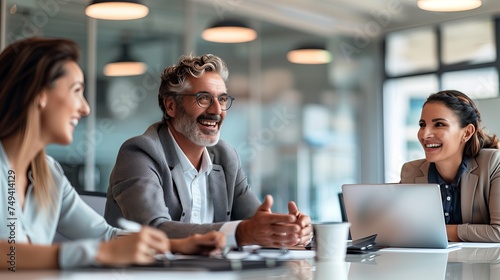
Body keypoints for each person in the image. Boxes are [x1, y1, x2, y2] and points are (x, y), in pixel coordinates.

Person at [0, 37, 225, 270]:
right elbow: (10, 257)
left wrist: (176, 245)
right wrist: (97, 253)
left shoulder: (48, 174)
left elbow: (104, 235)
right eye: (76, 91)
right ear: (40, 94)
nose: (85, 108)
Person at [104, 53, 313, 248]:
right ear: (171, 106)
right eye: (203, 98)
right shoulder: (140, 154)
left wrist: (290, 230)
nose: (216, 111)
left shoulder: (225, 157)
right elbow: (154, 230)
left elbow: (256, 223)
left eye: (222, 99)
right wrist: (240, 233)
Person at [400, 89, 500, 242]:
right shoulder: (411, 172)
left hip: (483, 264)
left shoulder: (493, 163)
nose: (425, 134)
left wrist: (437, 231)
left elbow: (498, 232)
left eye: (439, 124)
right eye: (422, 124)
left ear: (466, 133)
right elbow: (401, 230)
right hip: (427, 264)